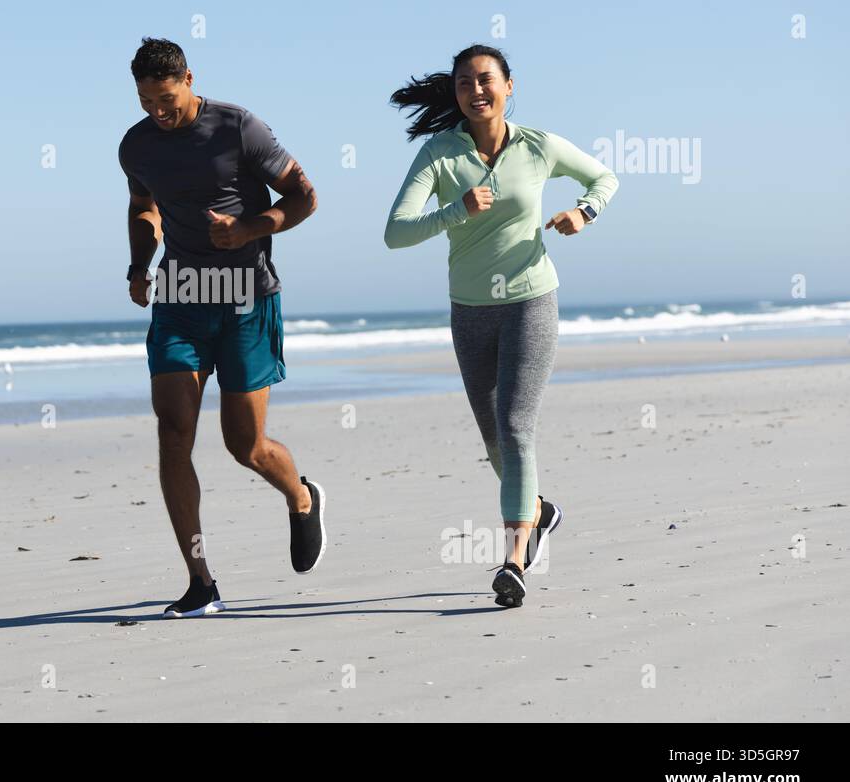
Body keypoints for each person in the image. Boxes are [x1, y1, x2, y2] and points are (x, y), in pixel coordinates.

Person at [383, 44, 619, 608]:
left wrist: (583, 213)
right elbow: (396, 232)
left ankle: (514, 559)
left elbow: (604, 178)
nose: (476, 90)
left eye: (486, 79)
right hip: (469, 311)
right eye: (464, 82)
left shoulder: (538, 146)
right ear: (456, 93)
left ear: (509, 86)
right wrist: (457, 210)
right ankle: (539, 511)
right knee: (495, 439)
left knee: (515, 428)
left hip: (531, 299)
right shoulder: (439, 154)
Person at [119, 38, 325, 618]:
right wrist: (139, 265)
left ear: (189, 78)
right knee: (173, 429)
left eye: (166, 98)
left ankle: (301, 496)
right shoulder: (135, 145)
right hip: (181, 297)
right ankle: (200, 580)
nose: (157, 112)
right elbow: (144, 207)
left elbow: (305, 197)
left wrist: (249, 228)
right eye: (145, 101)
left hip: (245, 299)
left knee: (245, 445)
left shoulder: (239, 128)